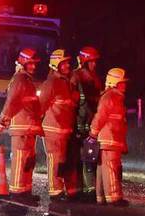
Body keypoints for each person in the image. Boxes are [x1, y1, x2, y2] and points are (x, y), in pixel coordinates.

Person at [0, 47, 43, 200]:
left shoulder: (26, 80)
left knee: (29, 161)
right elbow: (11, 102)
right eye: (30, 64)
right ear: (23, 63)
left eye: (35, 64)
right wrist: (2, 121)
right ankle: (17, 192)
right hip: (22, 126)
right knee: (21, 159)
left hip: (28, 127)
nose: (34, 67)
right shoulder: (20, 79)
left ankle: (25, 191)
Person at [39, 49, 81, 200]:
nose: (68, 66)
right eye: (65, 63)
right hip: (52, 129)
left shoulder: (66, 83)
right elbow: (40, 106)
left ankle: (61, 189)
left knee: (62, 161)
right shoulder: (51, 83)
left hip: (64, 130)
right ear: (57, 65)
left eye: (68, 63)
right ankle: (55, 191)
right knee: (55, 160)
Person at [90, 67, 129, 204]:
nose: (125, 85)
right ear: (114, 83)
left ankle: (101, 197)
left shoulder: (114, 97)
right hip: (109, 139)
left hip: (111, 138)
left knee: (103, 168)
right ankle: (114, 198)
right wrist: (93, 134)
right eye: (122, 83)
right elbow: (100, 117)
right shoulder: (110, 97)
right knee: (112, 168)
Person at [70, 46, 103, 201]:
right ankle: (79, 190)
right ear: (84, 62)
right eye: (91, 62)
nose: (94, 65)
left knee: (90, 158)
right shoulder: (75, 76)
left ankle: (90, 190)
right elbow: (74, 103)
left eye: (95, 62)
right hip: (78, 124)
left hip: (90, 123)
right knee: (78, 158)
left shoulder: (95, 78)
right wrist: (76, 124)